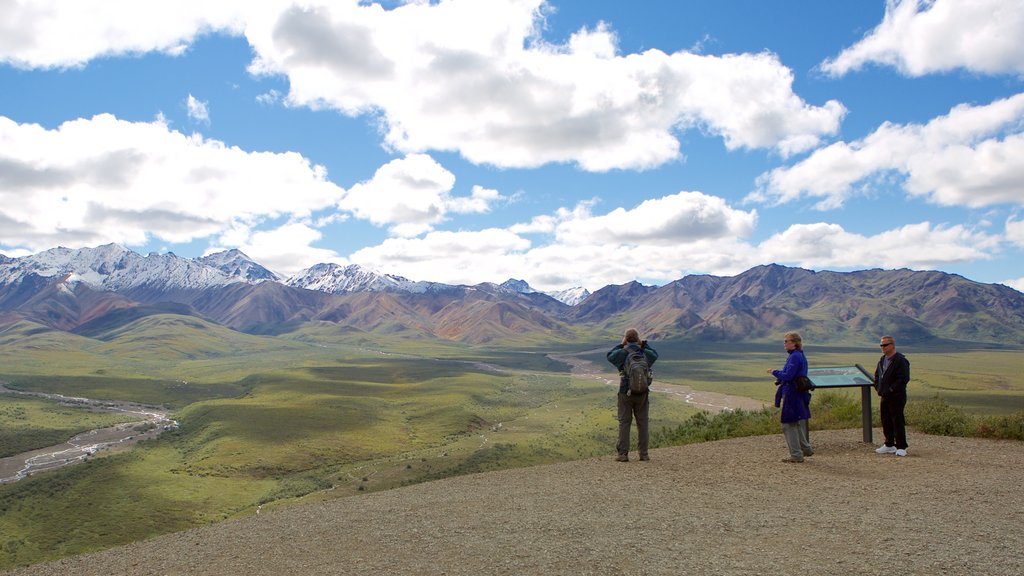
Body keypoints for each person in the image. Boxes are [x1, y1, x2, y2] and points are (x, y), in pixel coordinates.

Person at [606, 328, 658, 462]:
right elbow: (654, 354)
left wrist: (622, 344)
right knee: (643, 422)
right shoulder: (645, 353)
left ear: (626, 339)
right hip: (643, 392)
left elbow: (610, 355)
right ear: (637, 338)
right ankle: (644, 454)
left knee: (624, 422)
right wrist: (643, 344)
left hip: (625, 392)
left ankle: (623, 454)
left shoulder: (622, 353)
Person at [767, 331, 812, 463]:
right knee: (796, 422)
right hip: (798, 393)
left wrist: (774, 372)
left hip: (793, 393)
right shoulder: (800, 356)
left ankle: (796, 455)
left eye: (787, 341)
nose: (784, 344)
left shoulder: (794, 357)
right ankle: (806, 449)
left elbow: (788, 376)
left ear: (794, 343)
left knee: (788, 424)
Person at [874, 335, 911, 456]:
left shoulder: (900, 360)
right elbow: (877, 375)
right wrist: (878, 388)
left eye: (885, 345)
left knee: (897, 420)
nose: (882, 347)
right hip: (885, 395)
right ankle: (889, 444)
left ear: (892, 346)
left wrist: (891, 389)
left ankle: (901, 446)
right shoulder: (882, 359)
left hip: (896, 396)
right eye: (881, 345)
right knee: (886, 420)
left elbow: (904, 378)